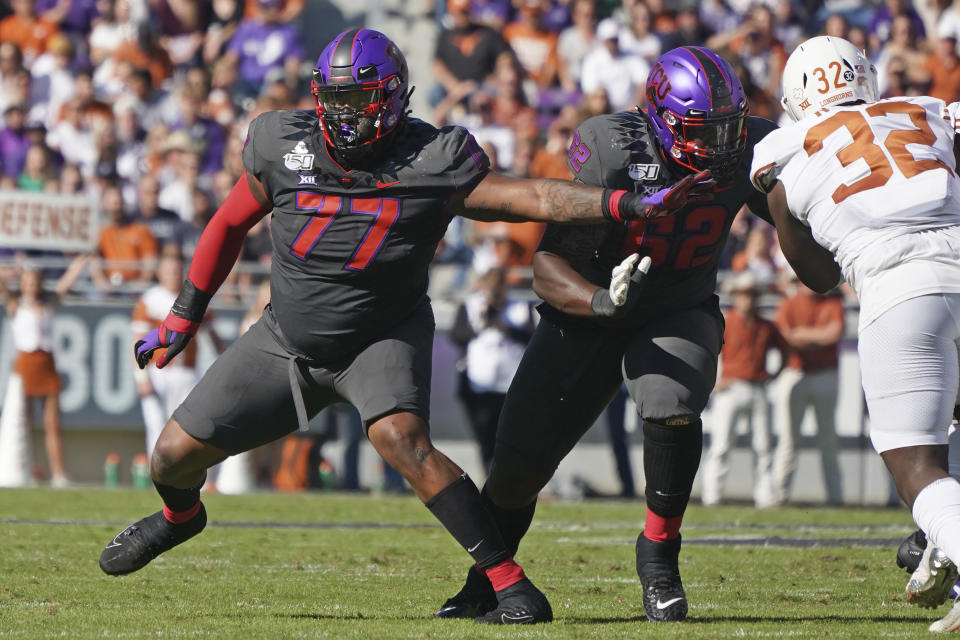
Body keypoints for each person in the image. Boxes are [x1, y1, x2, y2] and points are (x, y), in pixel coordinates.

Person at [96, 28, 711, 626]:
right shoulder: (281, 144)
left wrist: (624, 204)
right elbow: (230, 223)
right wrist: (184, 313)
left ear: (392, 100)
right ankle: (181, 519)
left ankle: (508, 584)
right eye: (335, 103)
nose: (345, 118)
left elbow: (531, 198)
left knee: (401, 440)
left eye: (358, 104)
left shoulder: (432, 159)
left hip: (379, 337)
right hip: (284, 340)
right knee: (170, 459)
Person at [436, 46, 778, 624]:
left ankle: (659, 557)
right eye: (704, 131)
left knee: (673, 400)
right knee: (518, 467)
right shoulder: (613, 148)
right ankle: (489, 579)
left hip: (677, 306)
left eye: (729, 129)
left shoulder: (753, 144)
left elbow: (804, 222)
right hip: (586, 311)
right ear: (663, 120)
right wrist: (601, 300)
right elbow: (547, 268)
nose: (721, 145)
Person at [750, 35, 960, 633]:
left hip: (901, 286)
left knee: (915, 461)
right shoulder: (928, 110)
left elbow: (815, 277)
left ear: (796, 96)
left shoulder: (780, 153)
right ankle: (945, 551)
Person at [0, 255, 88, 487]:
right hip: (25, 364)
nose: (31, 287)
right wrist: (9, 270)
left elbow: (66, 282)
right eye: (27, 282)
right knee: (24, 423)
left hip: (47, 362)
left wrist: (79, 263)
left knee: (52, 423)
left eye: (34, 282)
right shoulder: (15, 304)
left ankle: (59, 473)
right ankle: (27, 470)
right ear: (21, 284)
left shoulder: (49, 302)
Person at [701, 271, 786, 508]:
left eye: (751, 295)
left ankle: (765, 495)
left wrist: (773, 375)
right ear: (736, 296)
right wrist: (715, 380)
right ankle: (712, 495)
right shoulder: (726, 322)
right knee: (721, 445)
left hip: (757, 387)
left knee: (764, 446)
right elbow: (708, 351)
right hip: (731, 388)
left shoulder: (766, 326)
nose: (747, 299)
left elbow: (785, 352)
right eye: (743, 295)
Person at [771, 276, 845, 506]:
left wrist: (802, 335)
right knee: (788, 440)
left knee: (828, 440)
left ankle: (835, 499)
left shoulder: (832, 304)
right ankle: (777, 496)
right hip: (795, 373)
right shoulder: (789, 303)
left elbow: (833, 334)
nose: (807, 283)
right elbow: (785, 336)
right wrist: (815, 337)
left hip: (824, 373)